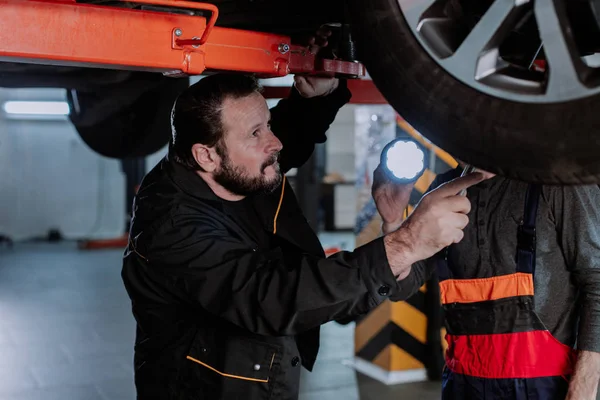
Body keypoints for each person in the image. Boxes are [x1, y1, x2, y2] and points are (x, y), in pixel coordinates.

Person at [372, 158, 600, 400]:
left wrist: (584, 385)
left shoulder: (557, 184)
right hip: (463, 384)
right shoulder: (444, 190)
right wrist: (393, 224)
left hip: (548, 387)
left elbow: (596, 281)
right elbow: (401, 287)